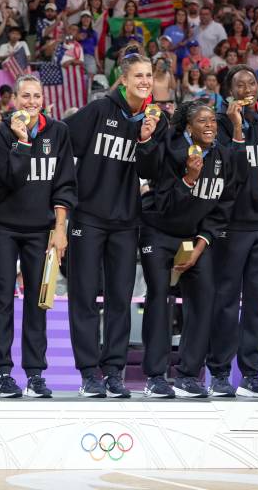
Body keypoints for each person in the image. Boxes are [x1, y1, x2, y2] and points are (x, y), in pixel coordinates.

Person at [65, 51, 163, 398]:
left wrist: (147, 140)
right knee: (84, 298)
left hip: (125, 221)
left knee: (121, 298)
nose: (144, 81)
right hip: (88, 217)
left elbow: (153, 172)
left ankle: (113, 371)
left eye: (149, 76)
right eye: (138, 75)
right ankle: (89, 372)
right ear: (123, 79)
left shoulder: (153, 118)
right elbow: (64, 144)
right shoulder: (99, 110)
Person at [139, 99, 238, 398]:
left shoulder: (224, 155)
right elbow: (164, 204)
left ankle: (187, 375)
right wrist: (189, 179)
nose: (211, 125)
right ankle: (155, 376)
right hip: (158, 230)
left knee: (204, 297)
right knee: (159, 297)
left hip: (194, 237)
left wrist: (200, 244)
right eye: (203, 121)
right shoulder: (170, 149)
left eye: (214, 121)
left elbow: (223, 205)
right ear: (187, 126)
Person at [0, 74, 76, 398]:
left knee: (40, 301)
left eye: (36, 96)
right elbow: (8, 179)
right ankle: (2, 374)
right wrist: (22, 142)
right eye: (25, 96)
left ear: (43, 99)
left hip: (42, 230)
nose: (31, 102)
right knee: (1, 300)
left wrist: (60, 228)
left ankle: (35, 373)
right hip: (3, 227)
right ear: (14, 100)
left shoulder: (58, 131)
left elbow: (65, 184)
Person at [208, 66, 258, 398]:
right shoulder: (219, 124)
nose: (247, 88)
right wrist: (236, 126)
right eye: (239, 84)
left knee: (257, 302)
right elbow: (223, 166)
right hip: (231, 225)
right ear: (229, 91)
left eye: (251, 82)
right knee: (225, 301)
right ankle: (220, 372)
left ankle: (251, 374)